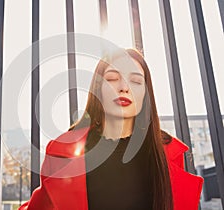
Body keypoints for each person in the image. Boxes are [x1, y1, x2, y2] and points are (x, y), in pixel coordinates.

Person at [19, 48, 203, 210]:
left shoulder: (168, 154)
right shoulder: (63, 151)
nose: (123, 87)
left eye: (136, 82)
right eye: (112, 79)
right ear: (98, 89)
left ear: (146, 95)